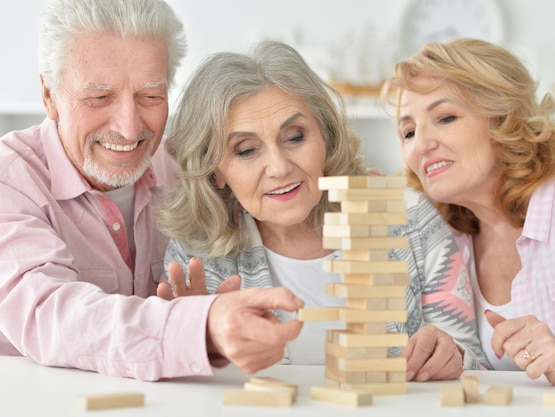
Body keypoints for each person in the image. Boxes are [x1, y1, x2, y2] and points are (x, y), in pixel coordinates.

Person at [0, 0, 304, 381]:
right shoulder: (9, 181)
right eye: (99, 97)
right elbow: (48, 313)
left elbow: (278, 192)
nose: (129, 129)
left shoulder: (188, 169)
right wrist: (197, 325)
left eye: (151, 96)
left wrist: (351, 185)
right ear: (49, 96)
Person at [155, 40, 489, 382]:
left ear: (326, 137)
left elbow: (473, 363)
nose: (279, 168)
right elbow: (179, 383)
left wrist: (452, 356)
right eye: (245, 150)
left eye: (295, 137)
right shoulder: (195, 255)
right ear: (215, 172)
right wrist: (193, 341)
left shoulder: (410, 220)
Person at [382, 37, 555, 385]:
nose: (420, 144)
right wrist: (452, 358)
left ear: (504, 119)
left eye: (445, 117)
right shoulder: (439, 238)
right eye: (408, 132)